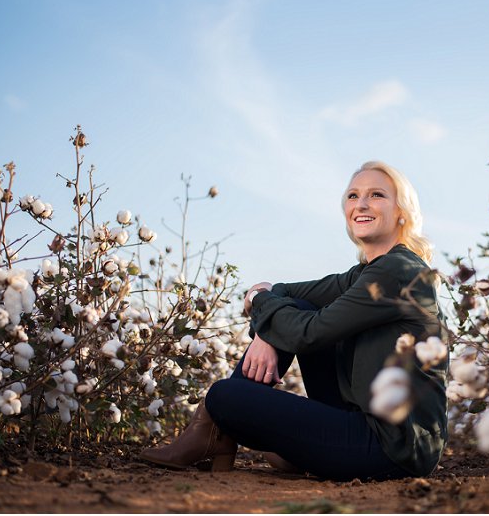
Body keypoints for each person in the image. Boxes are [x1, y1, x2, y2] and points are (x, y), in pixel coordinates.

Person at [139, 161, 449, 481]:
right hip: (362, 422)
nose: (362, 204)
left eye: (377, 195)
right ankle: (234, 436)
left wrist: (262, 311)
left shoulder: (397, 272)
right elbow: (285, 292)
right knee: (298, 306)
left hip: (392, 447)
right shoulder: (366, 273)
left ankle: (213, 431)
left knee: (224, 395)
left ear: (402, 211)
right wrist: (266, 330)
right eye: (354, 195)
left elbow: (309, 333)